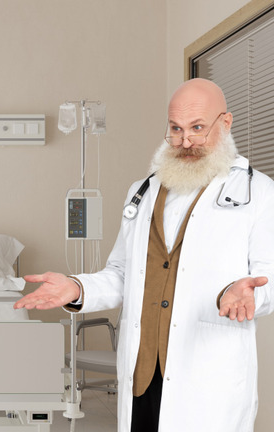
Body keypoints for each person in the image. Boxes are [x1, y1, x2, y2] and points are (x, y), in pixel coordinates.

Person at [14, 78, 274, 432]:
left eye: (197, 128)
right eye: (176, 129)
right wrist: (77, 289)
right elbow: (123, 274)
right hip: (142, 374)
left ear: (225, 123)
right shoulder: (143, 192)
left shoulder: (257, 192)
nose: (185, 142)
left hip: (207, 377)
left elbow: (267, 278)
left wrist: (246, 294)